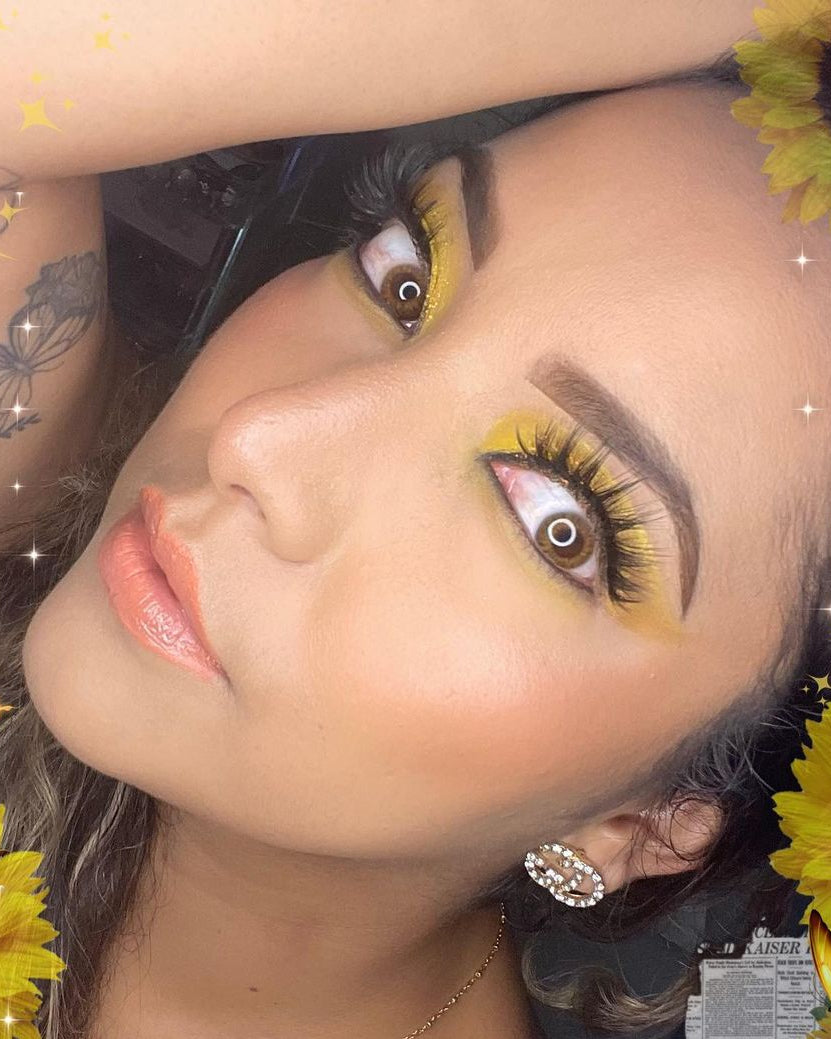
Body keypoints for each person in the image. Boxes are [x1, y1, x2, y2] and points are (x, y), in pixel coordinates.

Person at [3, 4, 827, 1038]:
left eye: (558, 523)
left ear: (648, 820)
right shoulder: (35, 493)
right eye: (404, 277)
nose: (259, 439)